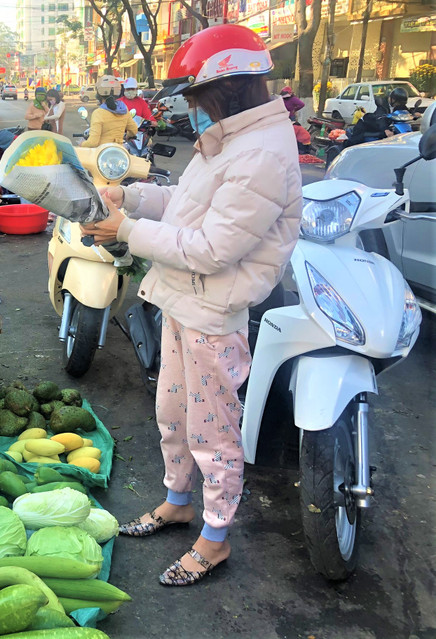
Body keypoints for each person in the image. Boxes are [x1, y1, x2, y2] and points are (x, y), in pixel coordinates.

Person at [82, 24, 301, 586]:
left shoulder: (262, 156)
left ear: (225, 90)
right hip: (182, 301)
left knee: (212, 429)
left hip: (212, 310)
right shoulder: (230, 139)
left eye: (196, 97)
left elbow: (210, 249)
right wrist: (128, 196)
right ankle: (179, 499)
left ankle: (215, 536)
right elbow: (183, 205)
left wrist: (126, 229)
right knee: (173, 413)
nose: (192, 109)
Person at [80, 76, 139, 148]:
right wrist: (128, 136)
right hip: (119, 151)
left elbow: (93, 143)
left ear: (99, 94)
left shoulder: (98, 113)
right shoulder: (124, 109)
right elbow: (134, 129)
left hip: (103, 153)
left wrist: (82, 144)